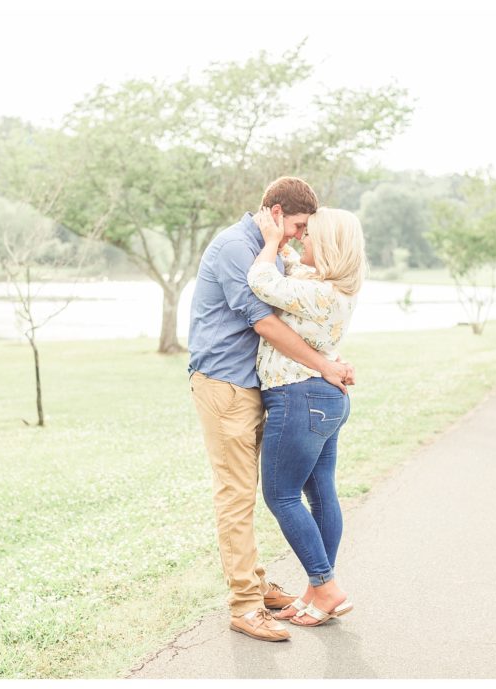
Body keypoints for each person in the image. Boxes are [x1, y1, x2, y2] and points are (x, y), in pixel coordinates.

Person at [188, 177, 356, 643]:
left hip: (258, 387)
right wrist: (325, 365)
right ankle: (245, 605)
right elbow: (262, 320)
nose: (303, 235)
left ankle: (259, 586)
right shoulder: (234, 248)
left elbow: (302, 308)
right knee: (238, 495)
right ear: (277, 211)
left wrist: (329, 357)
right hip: (226, 385)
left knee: (266, 491)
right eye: (300, 225)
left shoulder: (271, 248)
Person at [246, 205, 367, 627]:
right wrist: (284, 244)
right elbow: (294, 271)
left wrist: (269, 243)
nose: (301, 240)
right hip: (324, 399)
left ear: (330, 246)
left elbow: (261, 280)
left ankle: (326, 585)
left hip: (298, 398)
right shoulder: (327, 286)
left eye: (308, 235)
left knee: (280, 495)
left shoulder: (319, 293)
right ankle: (318, 591)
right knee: (321, 495)